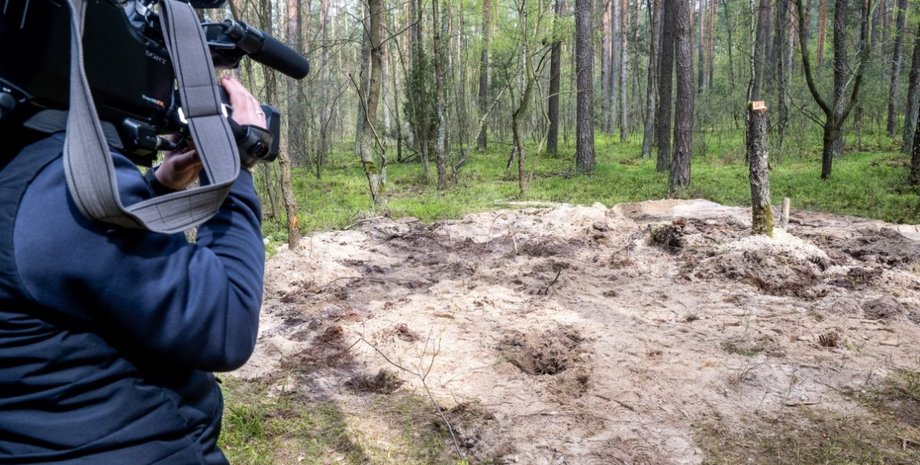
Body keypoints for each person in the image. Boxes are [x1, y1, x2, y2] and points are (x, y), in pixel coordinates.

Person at [0, 75, 266, 464]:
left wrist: (155, 191)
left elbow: (86, 262)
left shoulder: (20, 168)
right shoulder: (59, 179)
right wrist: (235, 168)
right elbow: (227, 324)